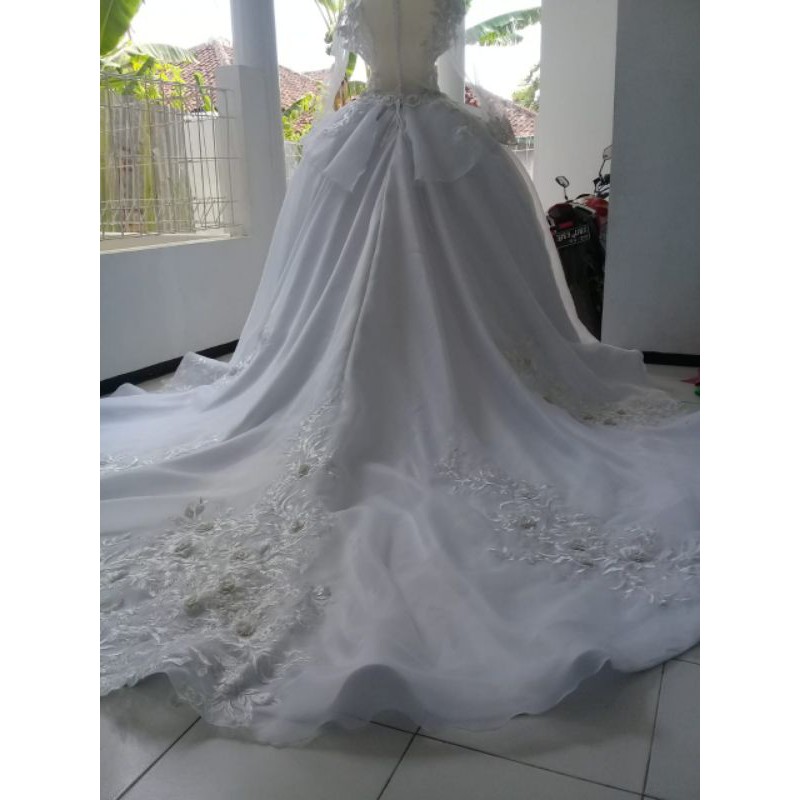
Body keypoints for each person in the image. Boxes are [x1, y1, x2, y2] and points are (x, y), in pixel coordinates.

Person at [101, 0, 699, 746]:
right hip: (424, 140)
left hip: (378, 141)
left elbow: (350, 71)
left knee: (440, 296)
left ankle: (435, 384)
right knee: (373, 295)